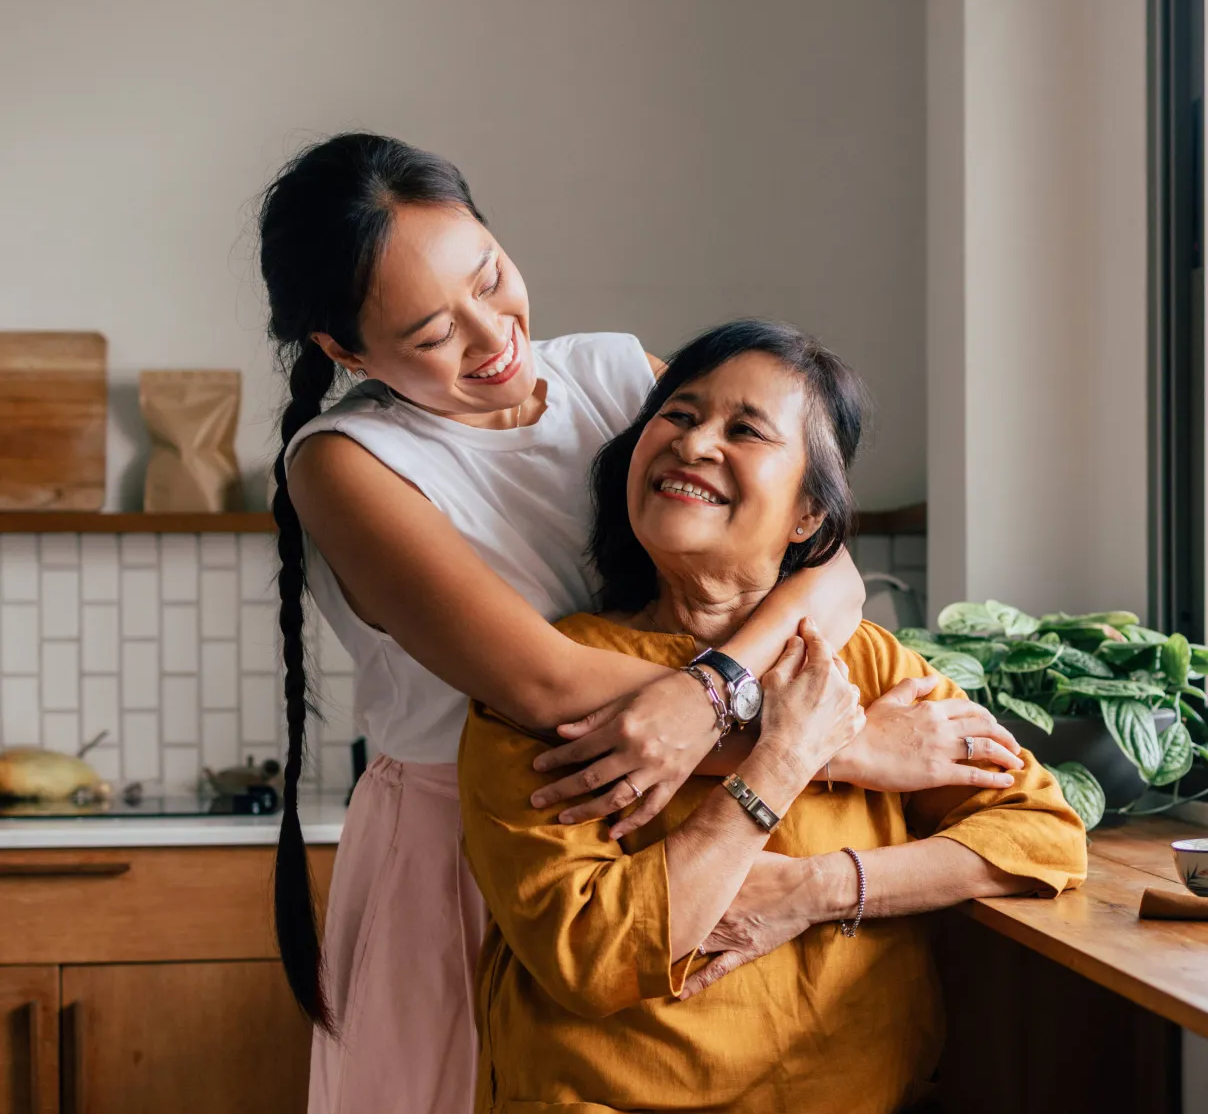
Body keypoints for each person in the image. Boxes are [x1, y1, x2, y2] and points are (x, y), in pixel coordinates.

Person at [260, 134, 1026, 1112]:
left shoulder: (617, 374)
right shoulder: (345, 463)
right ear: (342, 350)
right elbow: (543, 687)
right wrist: (845, 745)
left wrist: (713, 692)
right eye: (427, 333)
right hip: (473, 849)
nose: (489, 331)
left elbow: (825, 565)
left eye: (489, 276)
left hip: (666, 837)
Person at [459, 320, 1087, 1114]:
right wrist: (783, 758)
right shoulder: (550, 686)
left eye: (745, 430)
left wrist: (819, 888)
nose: (693, 444)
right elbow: (592, 953)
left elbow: (1043, 835)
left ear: (808, 517)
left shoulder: (867, 666)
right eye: (679, 416)